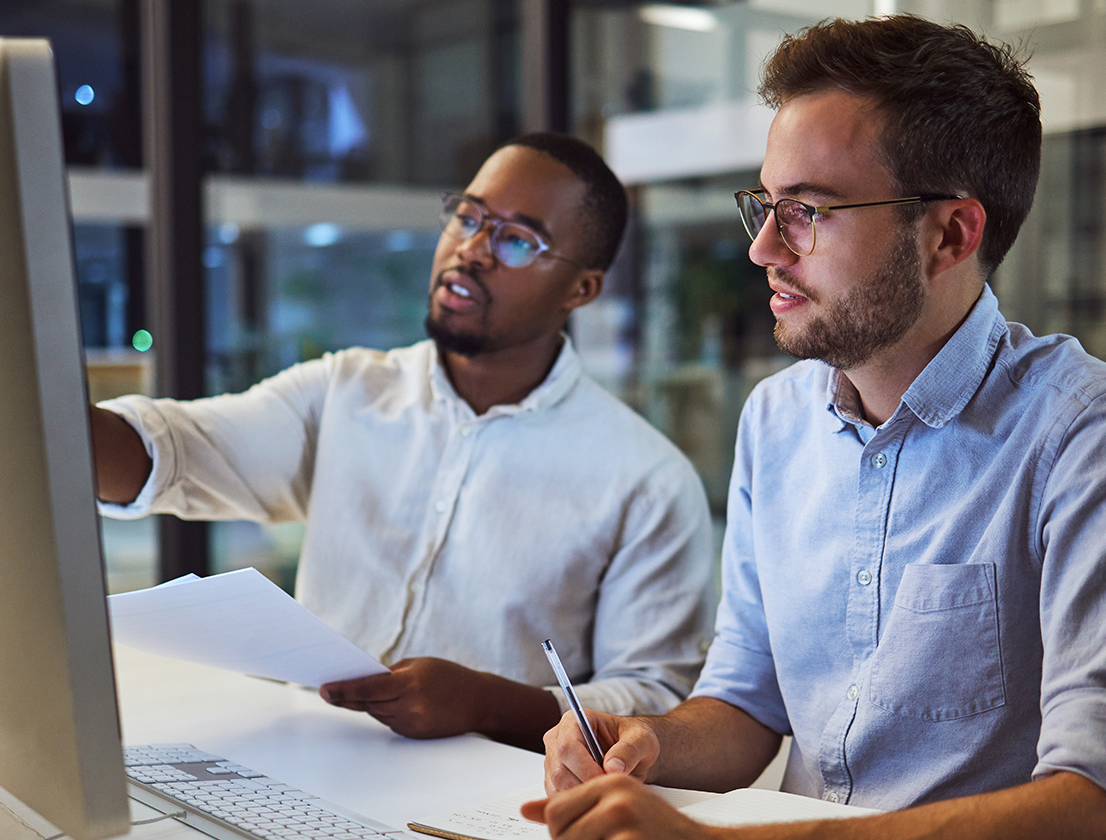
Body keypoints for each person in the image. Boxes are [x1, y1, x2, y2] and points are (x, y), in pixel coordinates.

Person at [527, 15, 1106, 840]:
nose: (765, 251)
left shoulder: (1094, 431)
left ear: (951, 234)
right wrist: (649, 742)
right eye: (767, 206)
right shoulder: (776, 421)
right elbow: (747, 704)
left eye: (809, 211)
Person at [90, 132, 715, 752]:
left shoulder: (646, 477)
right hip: (310, 757)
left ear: (582, 290)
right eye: (469, 217)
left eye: (517, 240)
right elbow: (170, 453)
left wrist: (488, 704)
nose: (471, 250)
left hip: (493, 797)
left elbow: (655, 697)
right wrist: (43, 406)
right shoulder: (346, 391)